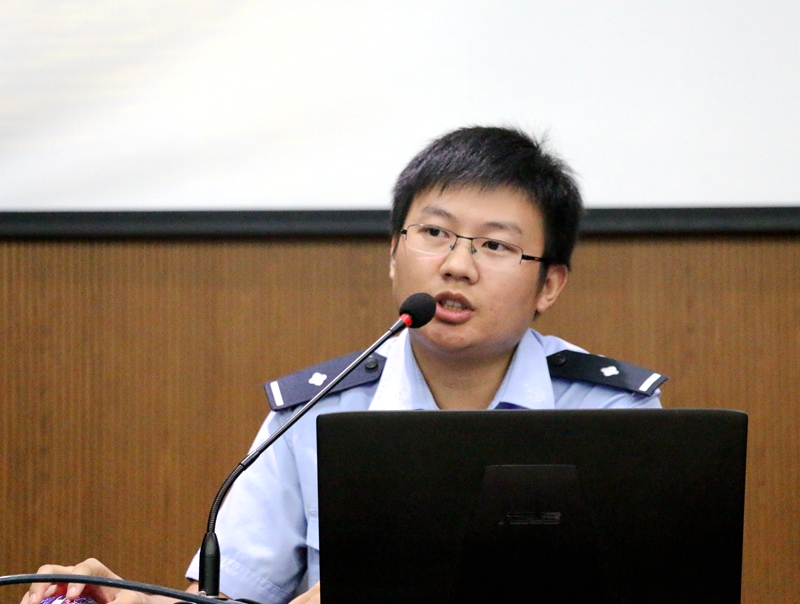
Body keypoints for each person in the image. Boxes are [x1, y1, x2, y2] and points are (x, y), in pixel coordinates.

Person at [21, 126, 664, 604]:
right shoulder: (313, 411)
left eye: (495, 245)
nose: (456, 265)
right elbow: (233, 598)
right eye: (434, 233)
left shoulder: (614, 412)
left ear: (549, 284)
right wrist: (130, 602)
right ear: (393, 253)